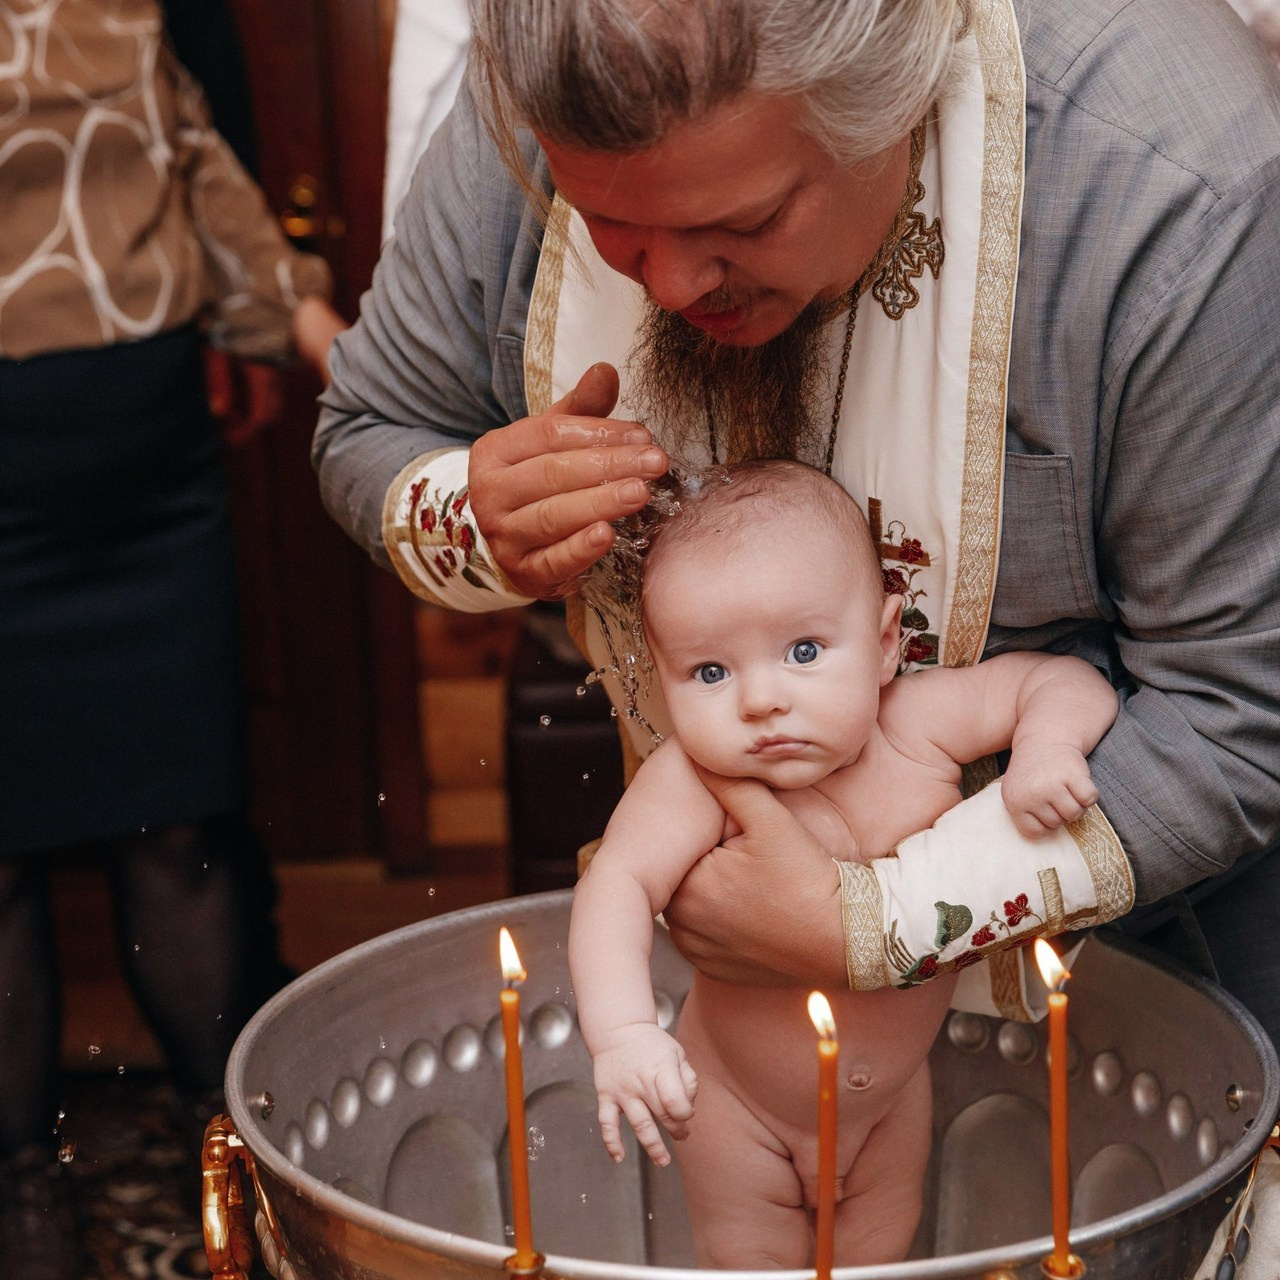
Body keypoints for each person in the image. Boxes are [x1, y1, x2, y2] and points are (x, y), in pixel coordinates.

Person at [314, 0, 1280, 1048]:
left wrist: (878, 922)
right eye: (615, 230)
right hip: (736, 1010)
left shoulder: (1172, 181)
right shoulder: (548, 85)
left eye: (741, 223)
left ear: (895, 98)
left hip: (1144, 983)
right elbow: (368, 427)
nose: (673, 285)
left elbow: (1238, 705)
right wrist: (476, 516)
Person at [568, 460, 1119, 1267]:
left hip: (889, 1108)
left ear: (888, 641)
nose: (760, 700)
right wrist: (621, 1035)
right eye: (710, 673)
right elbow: (615, 884)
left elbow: (1061, 679)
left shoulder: (917, 726)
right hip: (737, 1107)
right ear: (663, 679)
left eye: (803, 650)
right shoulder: (694, 780)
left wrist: (1045, 747)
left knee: (879, 1261)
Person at [0, 2, 345, 1274]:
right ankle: (22, 1184)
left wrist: (342, 359)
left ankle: (240, 1144)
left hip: (148, 475)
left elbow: (199, 160)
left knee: (180, 825)